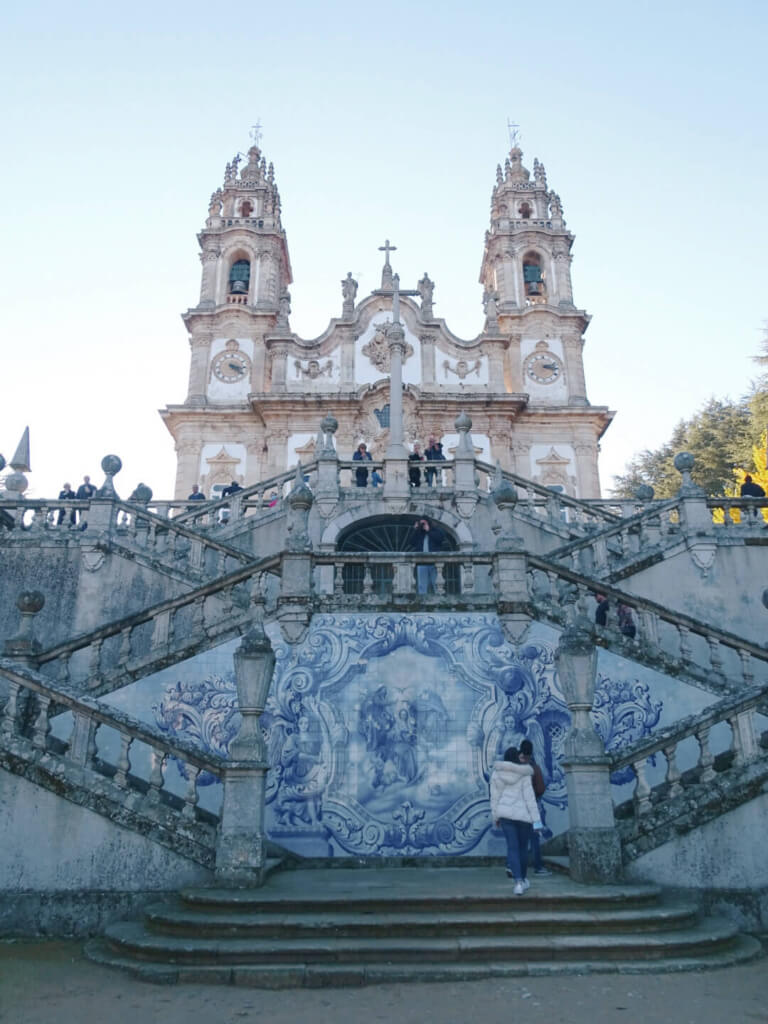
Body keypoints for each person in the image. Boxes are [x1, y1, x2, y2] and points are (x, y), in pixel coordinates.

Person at [489, 746, 543, 895]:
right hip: (523, 817)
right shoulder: (524, 774)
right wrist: (537, 822)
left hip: (505, 816)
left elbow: (494, 798)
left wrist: (496, 816)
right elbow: (530, 799)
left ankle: (518, 882)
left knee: (512, 848)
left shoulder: (496, 774)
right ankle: (524, 880)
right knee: (522, 849)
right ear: (516, 758)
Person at [519, 739, 551, 876]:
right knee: (535, 837)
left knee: (518, 839)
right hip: (533, 809)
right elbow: (541, 788)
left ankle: (514, 867)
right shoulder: (534, 767)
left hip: (518, 808)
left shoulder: (515, 766)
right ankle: (538, 867)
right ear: (531, 752)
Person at [410, 518, 445, 594]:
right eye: (421, 523)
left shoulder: (436, 530)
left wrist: (429, 530)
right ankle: (423, 603)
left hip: (435, 562)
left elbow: (440, 539)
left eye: (424, 523)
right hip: (421, 562)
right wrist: (416, 530)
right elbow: (412, 542)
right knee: (422, 585)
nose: (423, 525)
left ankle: (439, 601)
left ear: (428, 523)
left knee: (437, 584)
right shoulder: (419, 533)